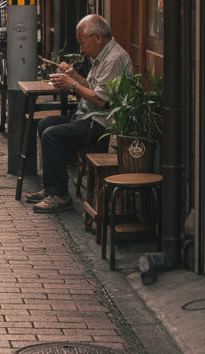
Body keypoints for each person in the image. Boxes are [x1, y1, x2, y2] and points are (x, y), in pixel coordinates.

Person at [26, 14, 133, 213]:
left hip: (101, 125)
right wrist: (75, 77)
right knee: (45, 124)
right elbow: (95, 89)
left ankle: (60, 196)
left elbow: (102, 101)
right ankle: (52, 188)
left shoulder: (114, 59)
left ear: (97, 38)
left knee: (52, 135)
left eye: (82, 43)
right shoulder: (102, 56)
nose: (81, 49)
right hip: (88, 117)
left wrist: (73, 86)